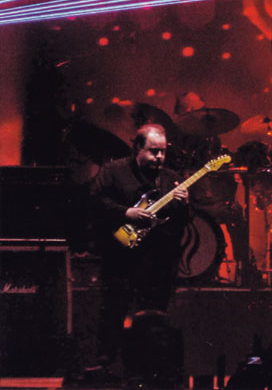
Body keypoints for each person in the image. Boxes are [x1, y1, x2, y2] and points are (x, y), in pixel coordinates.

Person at [90, 123, 190, 374]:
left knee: (154, 314)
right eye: (153, 151)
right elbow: (95, 201)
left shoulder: (170, 178)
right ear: (137, 148)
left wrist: (184, 205)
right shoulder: (113, 172)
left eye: (163, 151)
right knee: (114, 309)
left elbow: (182, 222)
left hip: (157, 260)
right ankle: (107, 363)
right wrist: (126, 212)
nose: (159, 157)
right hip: (121, 256)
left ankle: (148, 365)